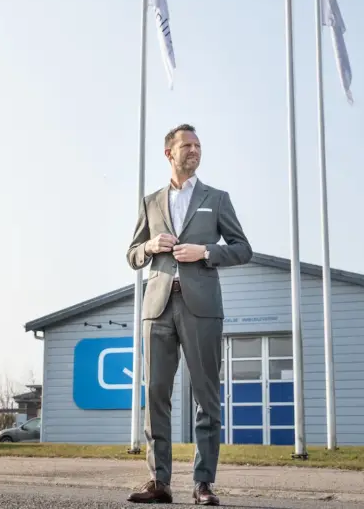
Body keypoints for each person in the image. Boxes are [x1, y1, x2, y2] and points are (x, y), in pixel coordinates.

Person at [125, 123, 252, 505]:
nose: (195, 151)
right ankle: (159, 482)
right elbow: (132, 255)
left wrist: (206, 252)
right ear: (170, 153)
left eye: (198, 145)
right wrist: (148, 245)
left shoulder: (218, 198)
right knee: (157, 395)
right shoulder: (150, 202)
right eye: (187, 145)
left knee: (206, 396)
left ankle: (203, 484)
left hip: (201, 308)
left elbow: (243, 249)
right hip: (158, 308)